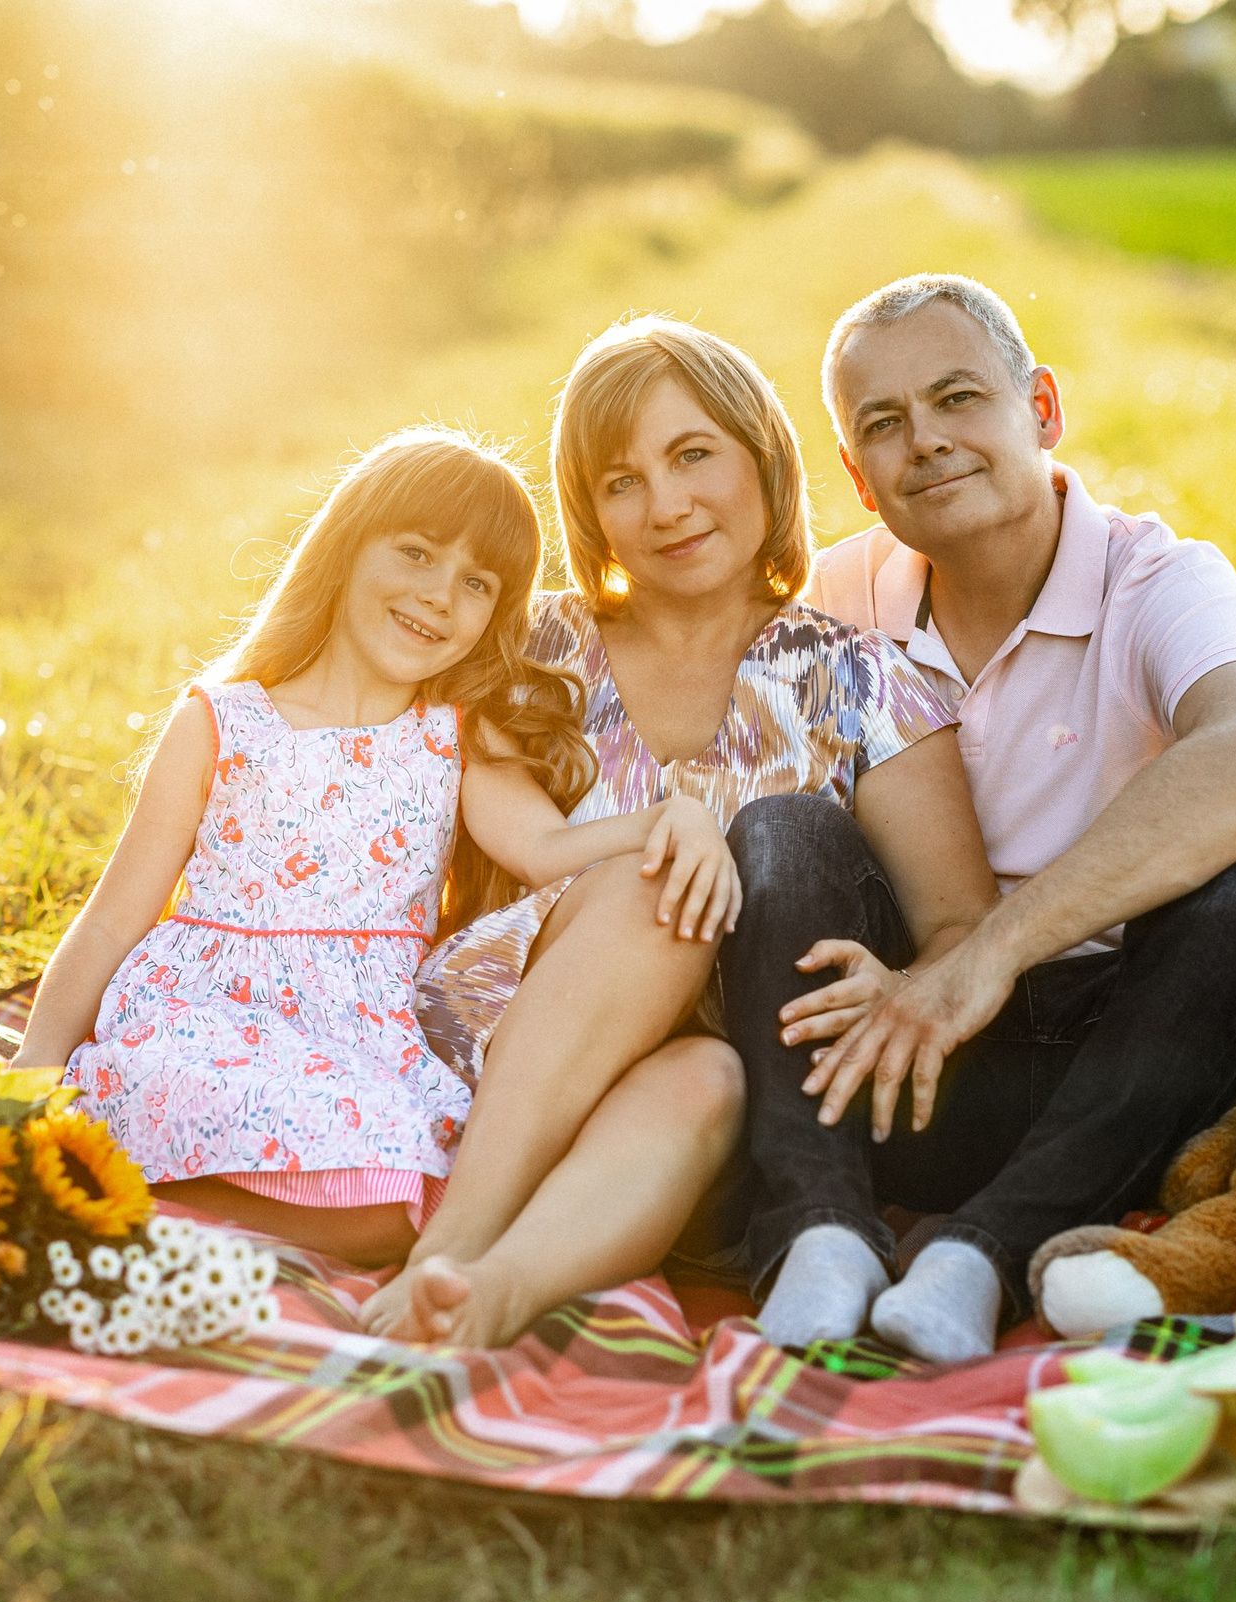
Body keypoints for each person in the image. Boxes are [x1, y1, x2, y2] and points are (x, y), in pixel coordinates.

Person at [368, 316, 1002, 1347]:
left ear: (763, 456)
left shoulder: (861, 679)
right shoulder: (532, 650)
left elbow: (961, 928)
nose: (666, 506)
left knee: (712, 1075)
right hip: (496, 1062)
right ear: (592, 514)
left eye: (693, 454)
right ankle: (450, 1245)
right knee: (652, 884)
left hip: (707, 1130)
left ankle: (493, 1294)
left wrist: (894, 991)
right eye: (622, 482)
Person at [726, 273, 1236, 1362]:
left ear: (1040, 409)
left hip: (1132, 1065)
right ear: (858, 477)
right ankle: (820, 1226)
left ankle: (984, 1258)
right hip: (913, 1068)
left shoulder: (1160, 578)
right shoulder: (834, 602)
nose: (927, 441)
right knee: (778, 835)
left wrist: (985, 953)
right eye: (885, 424)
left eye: (958, 398)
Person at [10, 428, 740, 1271]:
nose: (439, 596)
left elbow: (547, 847)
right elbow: (113, 919)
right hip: (205, 1016)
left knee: (403, 1198)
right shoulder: (221, 721)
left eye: (476, 583)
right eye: (417, 553)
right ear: (348, 545)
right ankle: (94, 1179)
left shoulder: (454, 735)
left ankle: (127, 1200)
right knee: (181, 1094)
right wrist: (34, 1063)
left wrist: (674, 819)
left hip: (359, 1031)